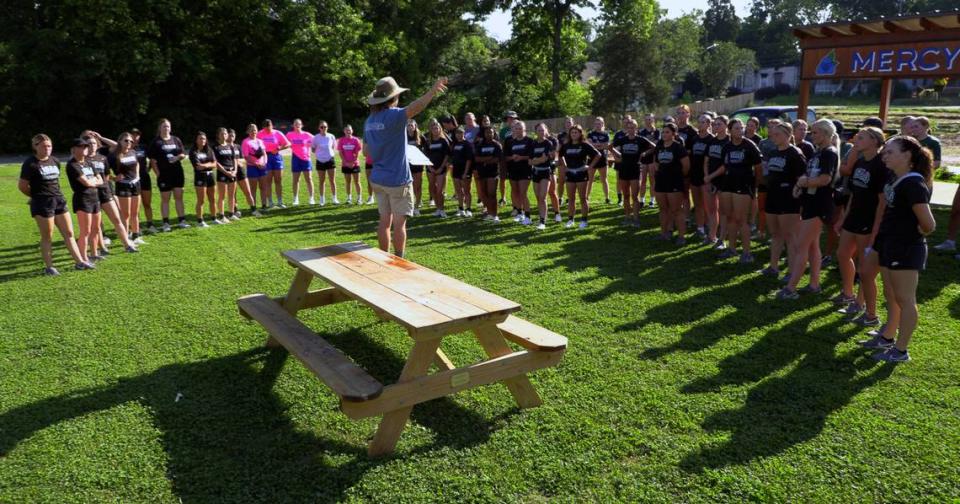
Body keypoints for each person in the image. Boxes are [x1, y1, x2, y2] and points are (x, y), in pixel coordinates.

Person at [861, 136, 936, 362]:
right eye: (884, 152)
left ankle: (901, 350)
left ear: (907, 156)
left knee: (905, 299)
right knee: (890, 294)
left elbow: (929, 225)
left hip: (905, 248)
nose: (885, 156)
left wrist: (912, 235)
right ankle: (887, 336)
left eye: (890, 152)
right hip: (888, 243)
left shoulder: (913, 183)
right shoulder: (897, 177)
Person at [363, 75, 447, 257]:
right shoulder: (394, 115)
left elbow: (366, 152)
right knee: (400, 224)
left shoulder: (369, 121)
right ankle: (398, 260)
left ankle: (382, 258)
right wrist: (433, 90)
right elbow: (417, 106)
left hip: (378, 179)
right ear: (393, 98)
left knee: (384, 221)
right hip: (398, 180)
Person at [778, 119, 840, 299]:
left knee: (800, 246)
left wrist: (805, 182)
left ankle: (790, 288)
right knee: (812, 246)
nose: (811, 135)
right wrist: (800, 184)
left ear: (826, 133)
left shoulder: (829, 152)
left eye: (815, 132)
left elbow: (825, 179)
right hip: (810, 202)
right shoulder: (817, 152)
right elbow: (809, 174)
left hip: (820, 204)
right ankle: (814, 285)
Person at [833, 127, 888, 324]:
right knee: (842, 254)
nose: (856, 139)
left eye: (862, 137)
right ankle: (848, 293)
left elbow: (883, 201)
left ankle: (860, 302)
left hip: (868, 220)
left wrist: (876, 228)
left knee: (866, 267)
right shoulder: (860, 162)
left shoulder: (881, 166)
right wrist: (843, 218)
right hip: (853, 216)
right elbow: (854, 194)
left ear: (874, 141)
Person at [18, 134, 89, 275]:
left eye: (49, 145)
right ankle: (49, 267)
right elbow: (22, 186)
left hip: (59, 200)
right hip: (42, 203)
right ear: (35, 146)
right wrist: (35, 196)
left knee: (69, 233)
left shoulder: (55, 161)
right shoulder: (30, 163)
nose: (47, 148)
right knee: (48, 235)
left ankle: (80, 262)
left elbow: (54, 182)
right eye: (43, 146)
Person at [759, 122, 806, 279]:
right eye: (773, 134)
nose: (773, 136)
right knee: (775, 234)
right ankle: (773, 267)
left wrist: (799, 198)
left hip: (788, 199)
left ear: (787, 135)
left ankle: (791, 272)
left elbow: (801, 179)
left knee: (789, 236)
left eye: (777, 134)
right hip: (773, 197)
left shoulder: (795, 154)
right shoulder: (773, 152)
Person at [713, 118, 762, 263]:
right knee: (729, 218)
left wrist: (755, 187)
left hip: (743, 186)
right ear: (730, 130)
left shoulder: (749, 145)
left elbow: (758, 168)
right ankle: (732, 249)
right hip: (728, 185)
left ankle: (747, 253)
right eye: (737, 128)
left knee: (742, 220)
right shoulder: (727, 146)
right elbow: (725, 165)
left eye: (742, 128)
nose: (740, 131)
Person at [86, 134, 136, 253]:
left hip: (105, 192)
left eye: (94, 143)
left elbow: (107, 175)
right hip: (91, 194)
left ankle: (127, 244)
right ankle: (102, 247)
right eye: (89, 144)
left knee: (117, 218)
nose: (92, 146)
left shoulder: (102, 158)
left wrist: (113, 179)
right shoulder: (83, 160)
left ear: (97, 145)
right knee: (96, 223)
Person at [147, 118, 190, 231]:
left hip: (177, 172)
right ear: (159, 128)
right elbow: (152, 160)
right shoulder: (156, 142)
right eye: (164, 126)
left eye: (168, 126)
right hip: (164, 175)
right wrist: (158, 174)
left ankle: (182, 220)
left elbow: (183, 154)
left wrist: (177, 157)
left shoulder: (176, 139)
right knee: (165, 198)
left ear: (170, 128)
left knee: (179, 196)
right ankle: (166, 223)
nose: (166, 128)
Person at [64, 138, 101, 267]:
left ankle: (94, 253)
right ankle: (83, 258)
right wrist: (93, 182)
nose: (85, 148)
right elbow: (86, 182)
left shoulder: (88, 162)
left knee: (96, 228)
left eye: (86, 146)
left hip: (95, 198)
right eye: (82, 146)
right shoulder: (72, 165)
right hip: (83, 200)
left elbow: (100, 179)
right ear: (74, 149)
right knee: (85, 231)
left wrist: (93, 182)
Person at [610, 118, 655, 226]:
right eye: (629, 127)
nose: (630, 129)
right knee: (626, 195)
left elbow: (654, 147)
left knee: (635, 196)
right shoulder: (622, 139)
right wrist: (618, 155)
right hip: (623, 170)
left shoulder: (641, 139)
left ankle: (636, 219)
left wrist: (644, 154)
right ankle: (627, 217)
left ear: (636, 128)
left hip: (635, 170)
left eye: (633, 127)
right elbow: (610, 146)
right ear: (627, 128)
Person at [653, 123, 691, 244]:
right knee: (663, 209)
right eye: (663, 132)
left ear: (674, 134)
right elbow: (656, 163)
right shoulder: (659, 147)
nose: (664, 134)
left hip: (675, 182)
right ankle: (664, 233)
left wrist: (677, 176)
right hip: (661, 182)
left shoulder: (678, 147)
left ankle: (681, 236)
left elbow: (686, 166)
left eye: (667, 132)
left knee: (676, 210)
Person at [558, 124, 602, 229]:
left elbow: (598, 155)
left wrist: (590, 167)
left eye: (576, 132)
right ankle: (570, 220)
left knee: (583, 198)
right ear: (569, 134)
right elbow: (560, 155)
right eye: (572, 132)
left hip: (581, 174)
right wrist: (565, 166)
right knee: (571, 198)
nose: (574, 134)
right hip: (570, 174)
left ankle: (584, 220)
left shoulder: (584, 145)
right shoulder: (566, 145)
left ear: (580, 133)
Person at [110, 132, 144, 244]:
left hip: (135, 184)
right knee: (126, 214)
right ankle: (126, 238)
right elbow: (103, 172)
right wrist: (114, 178)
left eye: (131, 141)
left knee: (135, 212)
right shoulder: (114, 155)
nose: (129, 143)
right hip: (123, 185)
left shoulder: (132, 152)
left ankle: (136, 235)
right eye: (126, 140)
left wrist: (137, 175)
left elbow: (137, 164)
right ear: (119, 141)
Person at [703, 115, 730, 247]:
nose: (716, 127)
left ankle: (722, 239)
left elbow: (725, 166)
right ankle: (711, 236)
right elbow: (706, 161)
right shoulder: (712, 141)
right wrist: (707, 178)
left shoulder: (729, 142)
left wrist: (710, 177)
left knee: (724, 212)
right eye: (715, 124)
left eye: (719, 124)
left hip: (723, 181)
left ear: (726, 125)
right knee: (711, 210)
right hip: (710, 180)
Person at [756, 118, 783, 242]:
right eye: (770, 126)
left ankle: (775, 234)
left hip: (776, 180)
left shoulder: (782, 143)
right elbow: (760, 162)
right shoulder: (763, 142)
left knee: (775, 208)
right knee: (762, 207)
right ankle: (761, 231)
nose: (772, 128)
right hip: (764, 179)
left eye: (775, 125)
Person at [503, 120, 535, 225]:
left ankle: (528, 216)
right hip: (513, 169)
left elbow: (532, 156)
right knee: (515, 192)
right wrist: (512, 157)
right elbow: (505, 157)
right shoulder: (511, 141)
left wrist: (521, 157)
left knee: (523, 193)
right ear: (514, 130)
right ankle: (519, 213)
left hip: (525, 170)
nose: (518, 130)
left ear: (524, 129)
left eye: (520, 128)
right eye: (516, 128)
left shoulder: (529, 141)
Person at [689, 113, 714, 240]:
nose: (700, 124)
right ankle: (700, 228)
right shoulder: (694, 139)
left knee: (708, 205)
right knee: (698, 204)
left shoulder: (712, 140)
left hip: (707, 177)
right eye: (699, 122)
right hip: (694, 175)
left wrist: (709, 176)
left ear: (709, 124)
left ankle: (710, 227)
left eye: (704, 122)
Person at [257, 119, 291, 208]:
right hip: (266, 158)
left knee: (278, 180)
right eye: (266, 127)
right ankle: (270, 202)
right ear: (263, 127)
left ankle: (280, 201)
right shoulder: (260, 134)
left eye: (269, 126)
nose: (268, 129)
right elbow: (255, 145)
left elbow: (288, 143)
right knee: (268, 181)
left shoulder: (277, 133)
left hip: (276, 157)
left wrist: (279, 148)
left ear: (272, 125)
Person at [529, 123, 557, 229]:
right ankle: (542, 216)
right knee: (538, 198)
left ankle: (542, 222)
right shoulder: (533, 144)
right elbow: (530, 162)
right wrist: (539, 160)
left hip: (546, 171)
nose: (541, 132)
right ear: (535, 132)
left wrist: (539, 160)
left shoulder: (548, 143)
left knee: (543, 197)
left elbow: (549, 158)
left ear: (546, 131)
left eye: (543, 130)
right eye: (539, 130)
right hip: (536, 172)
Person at [424, 119, 452, 217]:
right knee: (433, 189)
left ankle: (442, 209)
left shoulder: (444, 141)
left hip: (441, 168)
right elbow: (425, 156)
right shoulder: (428, 141)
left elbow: (447, 155)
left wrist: (441, 167)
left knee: (440, 190)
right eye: (433, 128)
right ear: (431, 130)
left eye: (437, 128)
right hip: (430, 168)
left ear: (440, 129)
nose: (435, 130)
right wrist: (429, 167)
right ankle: (437, 208)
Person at [474, 126, 503, 221]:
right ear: (484, 134)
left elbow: (497, 159)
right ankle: (489, 213)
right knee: (484, 194)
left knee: (492, 194)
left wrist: (484, 160)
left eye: (491, 132)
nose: (489, 134)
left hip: (493, 173)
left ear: (494, 133)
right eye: (487, 132)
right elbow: (476, 158)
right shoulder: (480, 144)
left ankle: (495, 215)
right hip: (482, 173)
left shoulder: (497, 145)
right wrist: (488, 158)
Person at [189, 131, 217, 227]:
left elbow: (214, 164)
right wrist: (209, 164)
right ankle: (200, 221)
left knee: (212, 199)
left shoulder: (209, 150)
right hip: (200, 177)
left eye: (204, 138)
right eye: (200, 138)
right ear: (196, 140)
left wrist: (205, 165)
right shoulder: (193, 152)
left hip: (210, 176)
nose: (203, 140)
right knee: (201, 200)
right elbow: (198, 167)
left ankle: (214, 218)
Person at [130, 129, 156, 233]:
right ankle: (137, 227)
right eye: (133, 135)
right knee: (135, 206)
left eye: (137, 135)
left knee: (147, 203)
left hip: (144, 177)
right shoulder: (127, 149)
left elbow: (152, 158)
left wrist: (148, 169)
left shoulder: (144, 147)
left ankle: (150, 224)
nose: (135, 137)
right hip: (132, 179)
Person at [229, 128, 259, 217]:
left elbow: (244, 160)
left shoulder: (237, 146)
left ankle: (253, 209)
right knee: (233, 193)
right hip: (230, 172)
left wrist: (238, 161)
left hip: (241, 171)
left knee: (247, 191)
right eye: (230, 135)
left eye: (233, 136)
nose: (231, 137)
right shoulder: (224, 147)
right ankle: (235, 210)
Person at [213, 127, 240, 223]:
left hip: (232, 172)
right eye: (222, 134)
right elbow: (216, 162)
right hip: (222, 173)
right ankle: (221, 215)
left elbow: (234, 160)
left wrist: (235, 171)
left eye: (225, 133)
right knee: (222, 196)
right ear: (218, 135)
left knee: (232, 195)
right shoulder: (216, 147)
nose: (224, 135)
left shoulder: (230, 146)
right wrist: (225, 172)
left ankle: (231, 214)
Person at [286, 119, 315, 205]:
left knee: (309, 179)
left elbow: (316, 140)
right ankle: (295, 199)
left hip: (306, 159)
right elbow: (283, 142)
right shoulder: (289, 134)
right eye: (295, 124)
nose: (297, 125)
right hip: (295, 158)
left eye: (299, 124)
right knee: (296, 180)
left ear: (301, 125)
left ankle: (311, 198)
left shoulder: (307, 134)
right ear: (293, 126)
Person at [241, 123, 269, 212]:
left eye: (255, 130)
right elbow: (246, 156)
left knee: (263, 187)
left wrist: (265, 162)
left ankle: (264, 206)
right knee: (253, 188)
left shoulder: (260, 141)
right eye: (251, 130)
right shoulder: (246, 142)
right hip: (252, 167)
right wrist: (256, 163)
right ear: (248, 131)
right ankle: (253, 207)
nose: (253, 132)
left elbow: (264, 153)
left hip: (262, 167)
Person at [311, 120, 339, 206]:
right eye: (322, 127)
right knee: (321, 181)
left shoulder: (331, 136)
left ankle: (335, 198)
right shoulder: (315, 137)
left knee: (332, 180)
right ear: (319, 128)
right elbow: (313, 149)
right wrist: (319, 152)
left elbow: (333, 146)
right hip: (320, 161)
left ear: (327, 127)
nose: (323, 128)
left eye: (325, 127)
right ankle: (322, 199)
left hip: (330, 160)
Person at [450, 127, 475, 217]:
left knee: (467, 190)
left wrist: (466, 172)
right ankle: (461, 208)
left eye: (460, 133)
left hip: (465, 170)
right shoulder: (455, 144)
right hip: (456, 170)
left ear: (464, 134)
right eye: (457, 133)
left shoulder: (467, 144)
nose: (458, 135)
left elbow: (469, 160)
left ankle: (468, 209)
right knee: (458, 191)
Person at [586, 117, 612, 204]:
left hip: (602, 159)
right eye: (596, 124)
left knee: (604, 179)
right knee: (589, 179)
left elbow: (606, 146)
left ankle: (607, 198)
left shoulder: (606, 134)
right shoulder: (590, 134)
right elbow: (589, 145)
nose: (598, 125)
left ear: (603, 124)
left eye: (599, 123)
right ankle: (587, 197)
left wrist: (596, 145)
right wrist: (600, 145)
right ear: (594, 125)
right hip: (592, 159)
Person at [336, 125, 363, 204]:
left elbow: (358, 153)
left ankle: (359, 198)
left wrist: (353, 162)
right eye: (346, 130)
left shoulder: (356, 140)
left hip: (355, 164)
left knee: (357, 181)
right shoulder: (341, 140)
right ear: (344, 131)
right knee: (348, 182)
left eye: (349, 130)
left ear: (352, 131)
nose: (348, 131)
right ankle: (349, 198)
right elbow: (340, 153)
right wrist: (346, 162)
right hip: (345, 164)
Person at [406, 120, 427, 215]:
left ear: (415, 126)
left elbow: (427, 149)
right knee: (409, 186)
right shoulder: (403, 137)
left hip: (418, 165)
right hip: (407, 165)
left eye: (412, 125)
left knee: (418, 186)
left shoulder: (421, 137)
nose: (410, 127)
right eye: (408, 125)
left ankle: (417, 206)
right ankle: (410, 205)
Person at [498, 111, 518, 206]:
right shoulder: (503, 131)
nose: (511, 120)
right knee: (502, 178)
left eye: (513, 118)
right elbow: (501, 144)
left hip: (517, 157)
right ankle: (503, 197)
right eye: (509, 118)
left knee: (514, 179)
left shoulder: (519, 128)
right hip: (505, 156)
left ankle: (516, 200)